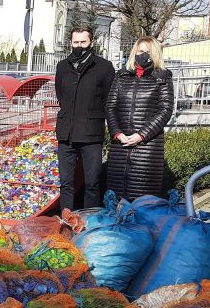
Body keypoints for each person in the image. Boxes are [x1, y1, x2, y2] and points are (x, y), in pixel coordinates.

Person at [105, 36, 175, 201]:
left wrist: (141, 135)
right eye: (141, 51)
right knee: (116, 198)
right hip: (120, 145)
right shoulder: (121, 76)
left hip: (147, 147)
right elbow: (110, 106)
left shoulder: (162, 77)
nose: (143, 55)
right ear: (134, 51)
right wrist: (116, 133)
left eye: (148, 52)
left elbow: (165, 110)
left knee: (143, 199)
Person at [54, 26, 115, 212]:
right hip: (67, 133)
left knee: (92, 183)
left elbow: (108, 101)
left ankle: (89, 221)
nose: (79, 46)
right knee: (65, 183)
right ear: (71, 43)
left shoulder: (104, 67)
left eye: (83, 42)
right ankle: (66, 220)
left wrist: (113, 130)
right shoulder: (63, 66)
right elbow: (61, 95)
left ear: (92, 43)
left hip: (91, 134)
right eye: (76, 42)